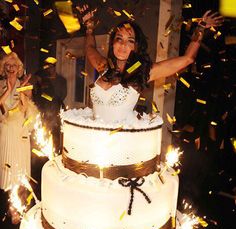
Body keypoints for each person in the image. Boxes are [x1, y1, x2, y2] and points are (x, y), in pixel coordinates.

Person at [79, 6, 223, 104]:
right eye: (119, 39)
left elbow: (187, 58)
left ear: (136, 47)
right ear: (112, 43)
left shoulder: (145, 72)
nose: (123, 45)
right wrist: (89, 27)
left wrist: (201, 27)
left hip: (121, 143)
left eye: (130, 41)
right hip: (96, 139)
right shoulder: (103, 66)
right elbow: (90, 47)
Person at [0, 52, 38, 222]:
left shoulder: (26, 85)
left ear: (19, 69)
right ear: (3, 68)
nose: (11, 69)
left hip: (20, 132)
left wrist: (22, 91)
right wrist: (8, 91)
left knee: (21, 171)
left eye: (14, 66)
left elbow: (26, 111)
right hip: (6, 132)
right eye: (7, 66)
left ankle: (22, 208)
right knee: (9, 170)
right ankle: (11, 208)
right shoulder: (0, 85)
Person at [32, 62, 67, 154]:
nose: (37, 79)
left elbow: (57, 96)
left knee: (54, 133)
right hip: (45, 113)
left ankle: (55, 152)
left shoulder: (51, 84)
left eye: (50, 67)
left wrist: (45, 97)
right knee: (46, 132)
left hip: (53, 112)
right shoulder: (41, 84)